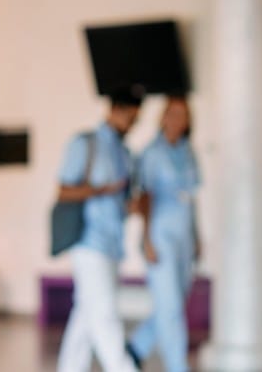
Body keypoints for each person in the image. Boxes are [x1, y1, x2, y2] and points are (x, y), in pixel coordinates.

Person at [56, 84, 144, 372]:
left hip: (113, 245)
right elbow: (63, 191)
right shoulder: (85, 143)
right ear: (115, 110)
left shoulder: (124, 152)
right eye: (130, 118)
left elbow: (121, 202)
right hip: (88, 243)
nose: (132, 125)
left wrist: (133, 206)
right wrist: (101, 190)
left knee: (85, 317)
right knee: (105, 318)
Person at [126, 95, 200, 372]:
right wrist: (147, 240)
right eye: (173, 113)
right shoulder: (152, 153)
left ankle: (135, 348)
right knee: (170, 309)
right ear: (164, 117)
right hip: (159, 236)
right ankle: (177, 366)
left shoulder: (188, 152)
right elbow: (145, 197)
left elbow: (191, 199)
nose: (177, 119)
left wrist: (197, 236)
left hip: (184, 238)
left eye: (183, 114)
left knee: (174, 303)